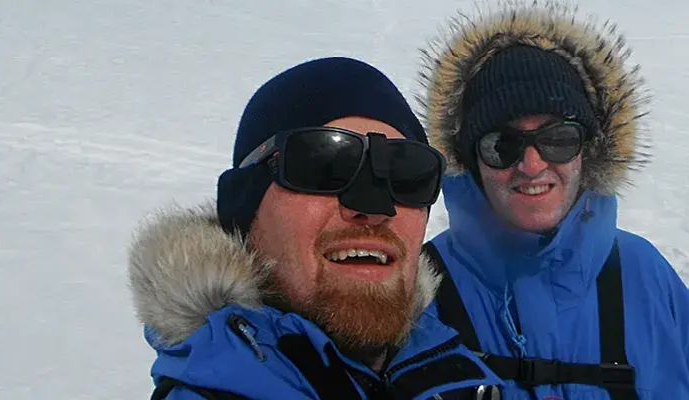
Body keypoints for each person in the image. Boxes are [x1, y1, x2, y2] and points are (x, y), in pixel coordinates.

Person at [414, 2, 689, 399]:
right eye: (502, 145)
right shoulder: (417, 296)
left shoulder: (644, 273)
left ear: (589, 150)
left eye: (558, 140)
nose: (532, 165)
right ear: (469, 161)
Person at [126, 56, 503, 399]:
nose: (373, 209)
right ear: (244, 209)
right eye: (323, 166)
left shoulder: (454, 373)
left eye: (407, 174)